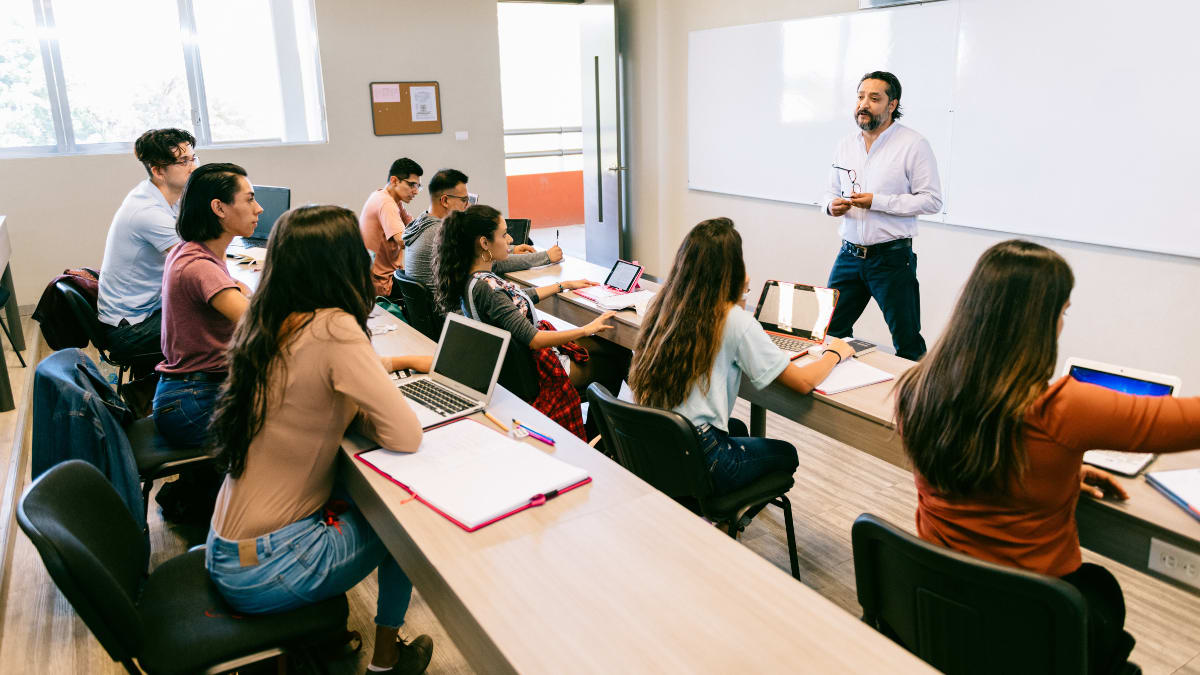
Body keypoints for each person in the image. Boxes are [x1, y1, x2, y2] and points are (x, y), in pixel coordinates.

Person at [895, 239, 1200, 675]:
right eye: (1061, 312)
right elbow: (1189, 420)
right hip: (1029, 629)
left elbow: (977, 462)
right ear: (1039, 322)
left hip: (940, 608)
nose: (1061, 324)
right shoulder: (1062, 409)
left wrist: (1057, 472)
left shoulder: (916, 388)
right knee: (1100, 594)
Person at [206, 204, 434, 674]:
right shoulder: (334, 326)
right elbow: (406, 435)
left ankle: (331, 636)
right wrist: (368, 407)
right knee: (405, 520)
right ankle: (388, 659)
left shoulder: (266, 318)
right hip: (269, 566)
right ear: (346, 262)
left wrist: (364, 394)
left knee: (357, 490)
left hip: (228, 548)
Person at [629, 217, 854, 496]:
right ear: (731, 269)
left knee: (738, 428)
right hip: (701, 454)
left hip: (656, 443)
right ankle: (721, 520)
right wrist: (835, 353)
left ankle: (711, 510)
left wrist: (738, 295)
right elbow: (803, 382)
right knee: (786, 455)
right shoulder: (733, 320)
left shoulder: (663, 304)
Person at [433, 205, 615, 439]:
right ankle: (594, 437)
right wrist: (586, 328)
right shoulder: (489, 290)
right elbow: (536, 340)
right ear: (484, 243)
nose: (509, 240)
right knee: (616, 359)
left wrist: (563, 285)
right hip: (535, 375)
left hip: (513, 372)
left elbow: (515, 301)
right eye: (503, 234)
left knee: (604, 349)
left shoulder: (473, 281)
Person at [823, 71, 942, 361]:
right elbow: (828, 192)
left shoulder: (913, 144)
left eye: (874, 98)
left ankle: (915, 404)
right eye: (861, 97)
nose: (864, 104)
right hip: (848, 256)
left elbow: (932, 201)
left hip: (891, 260)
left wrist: (878, 202)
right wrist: (830, 206)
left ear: (892, 105)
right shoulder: (845, 144)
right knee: (828, 332)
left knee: (907, 341)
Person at [152, 163, 256, 449]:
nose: (258, 209)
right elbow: (262, 325)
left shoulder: (193, 251)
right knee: (303, 423)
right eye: (249, 199)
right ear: (219, 208)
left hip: (189, 393)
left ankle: (196, 488)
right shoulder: (200, 266)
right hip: (195, 403)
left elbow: (239, 291)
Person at [96, 128, 197, 376]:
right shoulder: (148, 212)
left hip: (147, 310)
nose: (193, 167)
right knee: (218, 326)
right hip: (130, 331)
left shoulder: (162, 197)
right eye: (183, 161)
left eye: (194, 158)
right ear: (158, 170)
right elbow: (194, 266)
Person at [402, 168, 562, 289]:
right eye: (464, 200)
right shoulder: (441, 235)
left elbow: (480, 253)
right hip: (452, 316)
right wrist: (546, 256)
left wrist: (511, 249)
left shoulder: (422, 222)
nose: (468, 206)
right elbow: (491, 262)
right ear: (445, 201)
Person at [360, 157, 423, 297]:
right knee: (432, 290)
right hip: (383, 284)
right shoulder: (386, 203)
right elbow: (403, 240)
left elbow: (413, 225)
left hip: (376, 279)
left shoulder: (386, 196)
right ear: (394, 180)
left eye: (418, 186)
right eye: (412, 184)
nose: (416, 191)